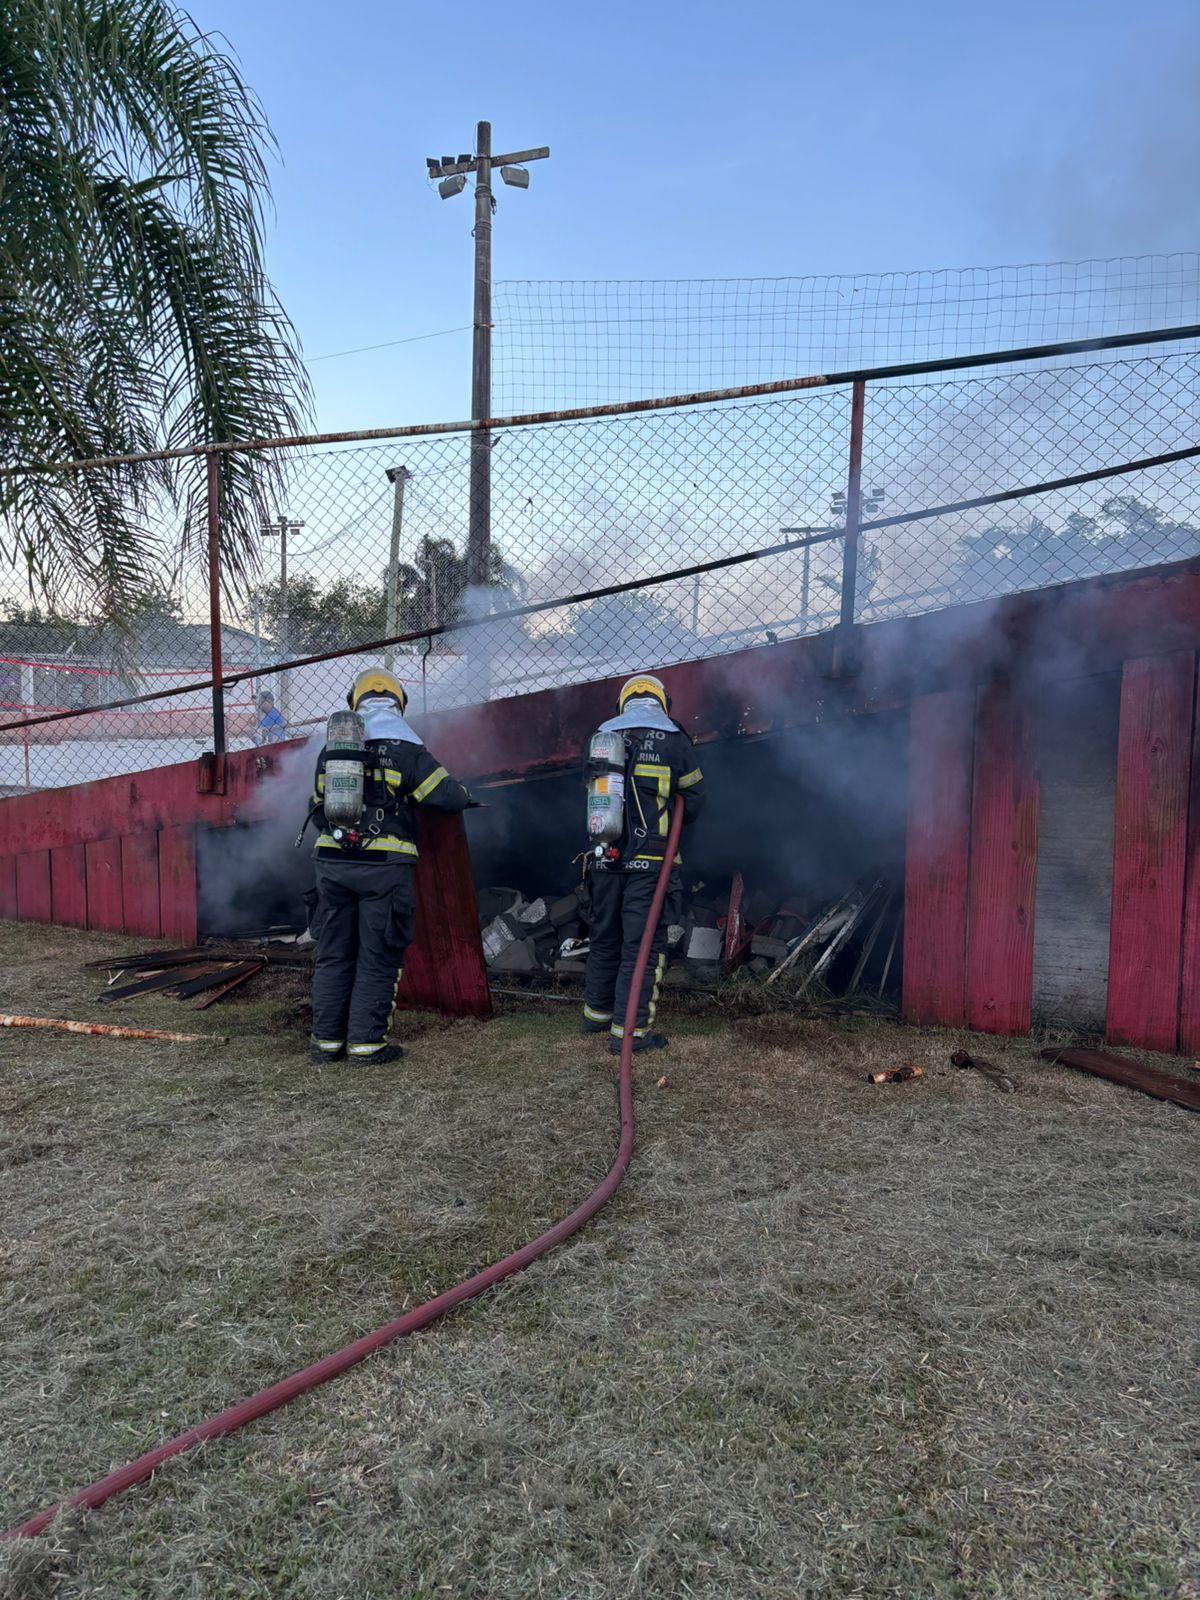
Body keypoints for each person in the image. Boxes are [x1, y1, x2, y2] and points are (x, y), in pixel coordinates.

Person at [308, 667, 470, 1065]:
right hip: (382, 866)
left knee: (333, 954)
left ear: (355, 702)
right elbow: (445, 796)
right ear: (398, 702)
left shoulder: (334, 746)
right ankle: (366, 1044)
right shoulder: (406, 745)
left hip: (331, 863)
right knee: (377, 955)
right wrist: (465, 794)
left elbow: (316, 807)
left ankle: (326, 1045)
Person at [582, 673, 706, 1054]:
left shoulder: (602, 737)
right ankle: (631, 1033)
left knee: (604, 935)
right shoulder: (673, 739)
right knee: (642, 945)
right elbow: (696, 800)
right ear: (662, 701)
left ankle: (596, 1016)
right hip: (651, 862)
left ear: (623, 703)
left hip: (604, 858)